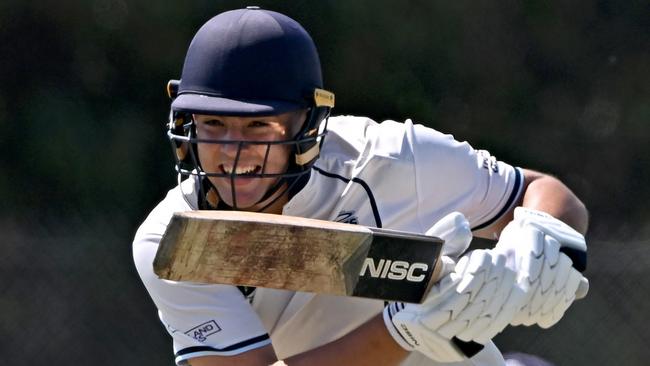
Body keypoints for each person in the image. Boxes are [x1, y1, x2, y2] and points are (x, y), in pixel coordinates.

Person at [133, 7, 589, 366]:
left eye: (259, 127)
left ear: (309, 123)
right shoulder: (169, 243)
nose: (232, 153)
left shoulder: (392, 158)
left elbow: (543, 192)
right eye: (213, 124)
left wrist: (534, 242)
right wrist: (400, 331)